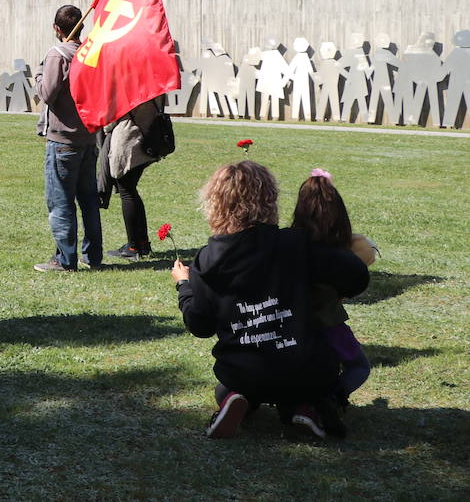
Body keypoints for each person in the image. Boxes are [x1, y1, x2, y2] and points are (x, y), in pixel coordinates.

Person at [173, 161, 369, 440]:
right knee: (308, 383)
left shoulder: (208, 258)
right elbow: (357, 274)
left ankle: (235, 399)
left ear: (215, 203)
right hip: (306, 369)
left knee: (226, 388)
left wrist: (184, 284)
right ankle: (307, 407)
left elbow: (199, 324)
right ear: (270, 199)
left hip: (244, 371)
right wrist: (328, 289)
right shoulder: (296, 244)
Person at [291, 169, 377, 407]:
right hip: (330, 325)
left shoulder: (289, 245)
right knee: (359, 367)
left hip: (289, 325)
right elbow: (356, 281)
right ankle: (330, 398)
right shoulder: (346, 253)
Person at [34, 4, 102, 272]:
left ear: (56, 28)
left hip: (63, 141)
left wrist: (39, 75)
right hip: (88, 139)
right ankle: (93, 257)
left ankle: (64, 259)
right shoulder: (90, 54)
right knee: (88, 202)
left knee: (61, 201)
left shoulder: (57, 54)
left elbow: (47, 94)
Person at [101, 96, 165, 260]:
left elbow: (110, 120)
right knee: (130, 191)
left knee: (127, 192)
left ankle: (133, 246)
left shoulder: (129, 86)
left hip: (129, 141)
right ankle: (142, 244)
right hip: (146, 139)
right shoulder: (154, 86)